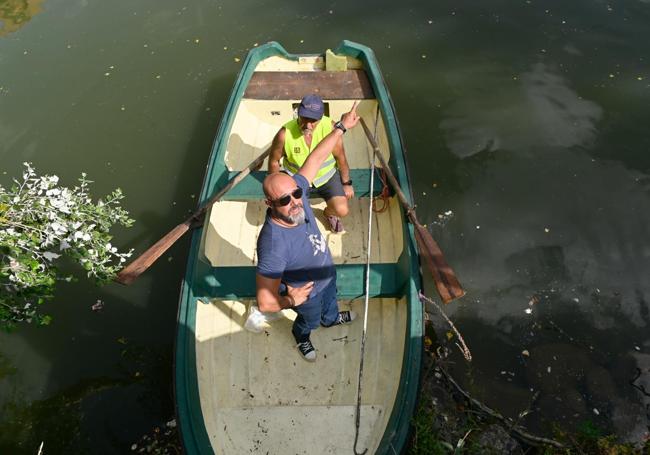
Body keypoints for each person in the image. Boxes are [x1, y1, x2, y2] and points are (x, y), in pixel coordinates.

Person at [256, 102, 360, 361]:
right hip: (306, 293)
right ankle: (302, 336)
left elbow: (315, 157)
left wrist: (341, 128)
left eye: (296, 194)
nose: (294, 202)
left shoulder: (297, 188)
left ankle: (331, 318)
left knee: (330, 306)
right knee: (310, 320)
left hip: (327, 272)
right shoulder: (272, 245)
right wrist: (291, 301)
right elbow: (265, 303)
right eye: (284, 200)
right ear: (270, 204)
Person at [266, 94, 354, 233]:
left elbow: (341, 158)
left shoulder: (331, 128)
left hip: (327, 177)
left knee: (342, 210)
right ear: (298, 113)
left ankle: (329, 214)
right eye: (305, 118)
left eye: (313, 120)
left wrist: (346, 183)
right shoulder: (284, 134)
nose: (308, 124)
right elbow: (274, 161)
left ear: (321, 118)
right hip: (297, 180)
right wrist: (275, 189)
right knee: (295, 219)